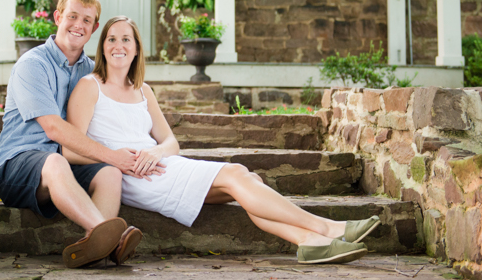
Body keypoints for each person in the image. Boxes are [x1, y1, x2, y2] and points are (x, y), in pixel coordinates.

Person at [63, 16, 381, 265]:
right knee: (237, 175)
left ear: (136, 48)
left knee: (246, 180)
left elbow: (170, 141)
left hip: (162, 164)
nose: (119, 45)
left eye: (126, 39)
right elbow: (70, 149)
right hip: (136, 177)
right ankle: (327, 228)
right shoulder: (90, 86)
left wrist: (157, 152)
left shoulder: (144, 90)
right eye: (112, 39)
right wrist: (115, 158)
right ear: (102, 46)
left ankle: (309, 243)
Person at [0, 0, 147, 268]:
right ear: (57, 17)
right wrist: (113, 154)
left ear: (94, 28)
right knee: (55, 161)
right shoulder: (33, 64)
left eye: (87, 20)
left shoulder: (92, 72)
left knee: (110, 174)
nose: (79, 25)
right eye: (72, 16)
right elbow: (53, 129)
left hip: (67, 159)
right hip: (18, 164)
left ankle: (94, 245)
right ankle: (113, 237)